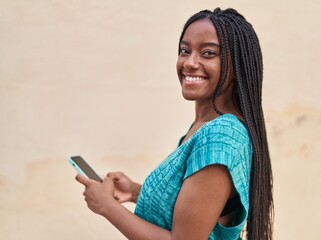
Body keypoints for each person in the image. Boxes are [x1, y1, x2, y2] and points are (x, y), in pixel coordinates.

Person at [75, 8, 273, 240]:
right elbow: (193, 211)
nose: (190, 62)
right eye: (184, 50)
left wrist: (107, 206)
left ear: (236, 66)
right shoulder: (204, 127)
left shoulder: (221, 136)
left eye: (208, 53)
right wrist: (135, 191)